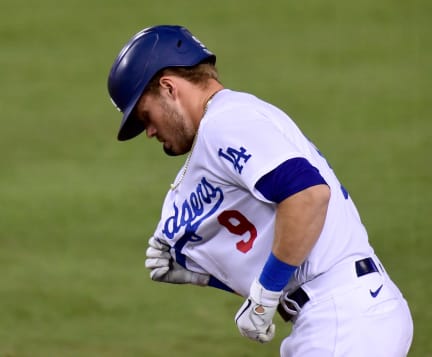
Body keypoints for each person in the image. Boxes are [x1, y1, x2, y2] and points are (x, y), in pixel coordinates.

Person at [107, 25, 414, 356]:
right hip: (341, 315)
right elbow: (278, 240)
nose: (149, 132)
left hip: (343, 316)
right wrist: (206, 275)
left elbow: (308, 195)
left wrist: (266, 293)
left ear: (168, 88)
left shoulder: (227, 121)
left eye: (145, 116)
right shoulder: (228, 123)